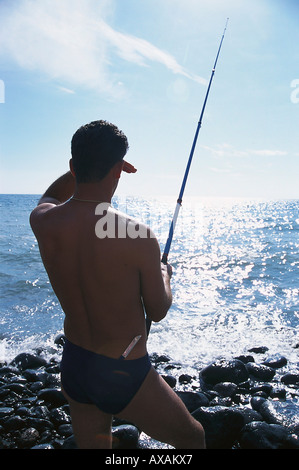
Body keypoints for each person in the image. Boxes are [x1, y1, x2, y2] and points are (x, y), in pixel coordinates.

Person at [30, 120, 205, 449]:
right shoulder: (137, 236)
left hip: (75, 364)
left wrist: (84, 166)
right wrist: (165, 275)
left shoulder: (42, 221)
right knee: (193, 439)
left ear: (73, 166)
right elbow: (158, 308)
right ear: (118, 170)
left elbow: (51, 196)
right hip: (122, 372)